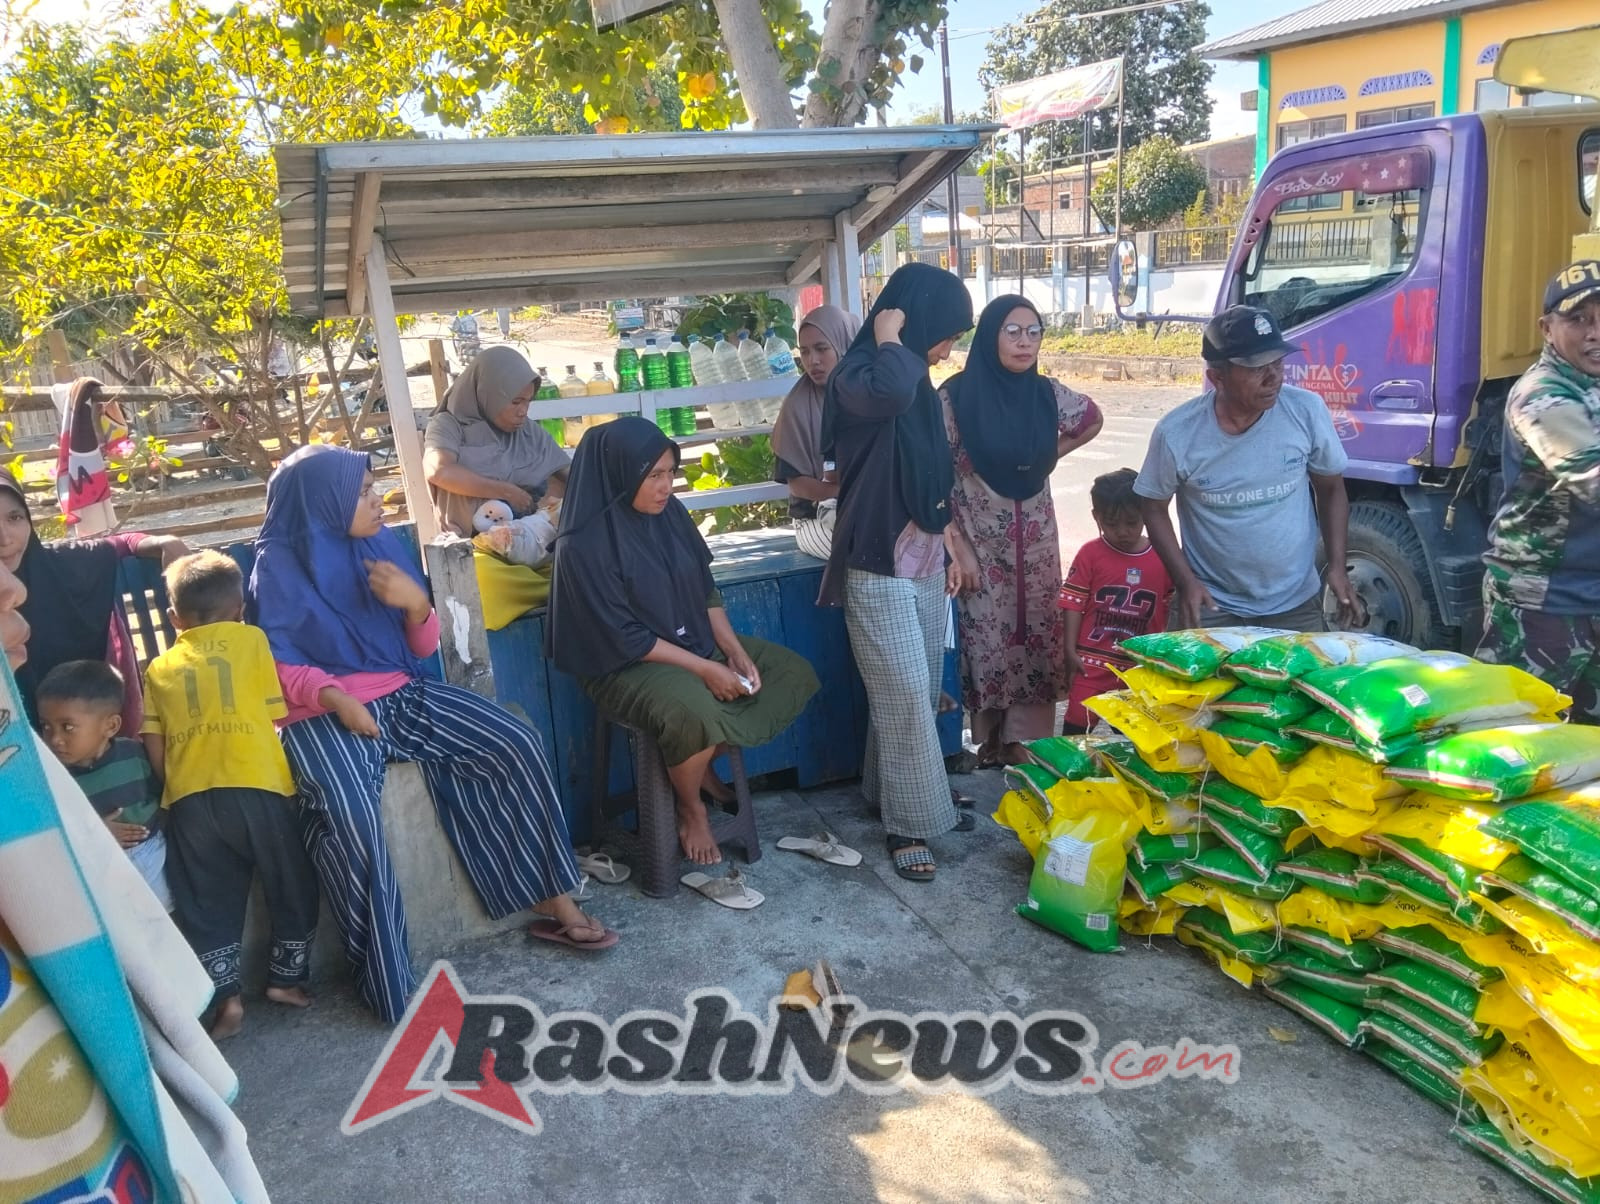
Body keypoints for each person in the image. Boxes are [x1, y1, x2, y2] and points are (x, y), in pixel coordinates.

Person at [249, 445, 611, 1024]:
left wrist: (418, 606)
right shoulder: (278, 567)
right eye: (363, 492)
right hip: (317, 713)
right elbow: (271, 664)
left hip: (400, 691)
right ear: (324, 502)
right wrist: (336, 697)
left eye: (374, 488)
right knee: (349, 815)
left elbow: (420, 646)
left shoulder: (379, 545)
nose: (377, 499)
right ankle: (388, 983)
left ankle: (548, 894)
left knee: (511, 741)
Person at [0, 555, 271, 1203]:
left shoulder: (48, 761)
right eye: (51, 727)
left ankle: (211, 1003)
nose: (16, 585)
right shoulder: (34, 767)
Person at [547, 417, 820, 865]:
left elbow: (704, 587)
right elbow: (625, 637)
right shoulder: (584, 545)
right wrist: (706, 668)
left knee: (790, 672)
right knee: (694, 709)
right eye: (653, 475)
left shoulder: (669, 513)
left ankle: (700, 769)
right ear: (618, 473)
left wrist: (731, 650)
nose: (666, 485)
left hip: (690, 639)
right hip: (622, 664)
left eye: (670, 472)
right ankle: (691, 808)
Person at [819, 262, 974, 883]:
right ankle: (910, 825)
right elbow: (887, 394)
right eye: (945, 333)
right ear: (913, 321)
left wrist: (953, 544)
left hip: (925, 551)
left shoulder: (915, 380)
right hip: (876, 554)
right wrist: (888, 340)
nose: (948, 348)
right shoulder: (859, 374)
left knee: (911, 682)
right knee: (908, 690)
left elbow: (938, 473)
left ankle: (896, 795)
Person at [141, 550, 320, 1039]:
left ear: (174, 618)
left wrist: (171, 787)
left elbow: (153, 741)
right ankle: (286, 980)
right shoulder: (252, 641)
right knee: (290, 881)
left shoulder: (157, 668)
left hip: (191, 800)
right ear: (240, 608)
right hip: (259, 786)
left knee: (205, 900)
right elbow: (272, 712)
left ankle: (227, 1000)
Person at [941, 295, 1103, 765]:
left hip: (1035, 543)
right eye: (1013, 331)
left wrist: (1048, 456)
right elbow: (931, 475)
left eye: (1034, 332)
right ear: (991, 335)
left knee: (1037, 632)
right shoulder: (954, 398)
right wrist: (955, 545)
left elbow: (1091, 418)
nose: (1024, 342)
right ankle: (989, 740)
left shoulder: (1047, 394)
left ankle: (1022, 743)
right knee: (986, 637)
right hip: (979, 542)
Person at [1135, 304, 1363, 632]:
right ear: (1217, 377)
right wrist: (1184, 581)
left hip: (1295, 603)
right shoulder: (1178, 433)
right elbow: (1153, 507)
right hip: (1211, 604)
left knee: (1304, 683)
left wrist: (1337, 567)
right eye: (1257, 368)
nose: (1274, 378)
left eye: (1278, 363)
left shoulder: (1305, 411)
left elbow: (1331, 489)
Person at [1477, 260, 1600, 720]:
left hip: (1591, 592)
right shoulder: (1543, 394)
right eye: (1579, 319)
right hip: (1544, 604)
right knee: (1517, 741)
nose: (1595, 333)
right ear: (1547, 328)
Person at [0, 474, 188, 732]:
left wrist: (165, 542)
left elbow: (119, 544)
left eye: (15, 518)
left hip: (79, 745)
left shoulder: (58, 565)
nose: (5, 538)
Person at [36, 658, 172, 910]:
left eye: (68, 727)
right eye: (46, 726)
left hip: (153, 859)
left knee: (165, 926)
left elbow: (161, 797)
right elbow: (54, 831)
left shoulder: (135, 756)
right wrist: (96, 832)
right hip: (97, 869)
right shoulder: (52, 778)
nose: (55, 739)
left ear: (110, 726)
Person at [1058, 468, 1175, 734]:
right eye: (1111, 524)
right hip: (1092, 661)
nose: (1122, 531)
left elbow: (1172, 607)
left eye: (1131, 523)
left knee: (1136, 733)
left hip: (1139, 665)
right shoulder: (1090, 554)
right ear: (1096, 517)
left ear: (1146, 514)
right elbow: (1073, 603)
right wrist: (1070, 650)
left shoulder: (1164, 554)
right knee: (1077, 724)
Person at [423, 344, 569, 538]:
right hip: (472, 547)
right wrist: (505, 491)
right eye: (516, 402)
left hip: (533, 538)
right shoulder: (448, 425)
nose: (523, 411)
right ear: (487, 394)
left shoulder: (526, 430)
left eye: (528, 402)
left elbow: (568, 471)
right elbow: (439, 470)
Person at [771, 305, 862, 561]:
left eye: (822, 349)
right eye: (805, 352)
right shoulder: (797, 406)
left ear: (844, 346)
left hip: (868, 511)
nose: (813, 361)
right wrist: (848, 493)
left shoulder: (869, 397)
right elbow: (797, 484)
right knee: (860, 553)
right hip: (815, 519)